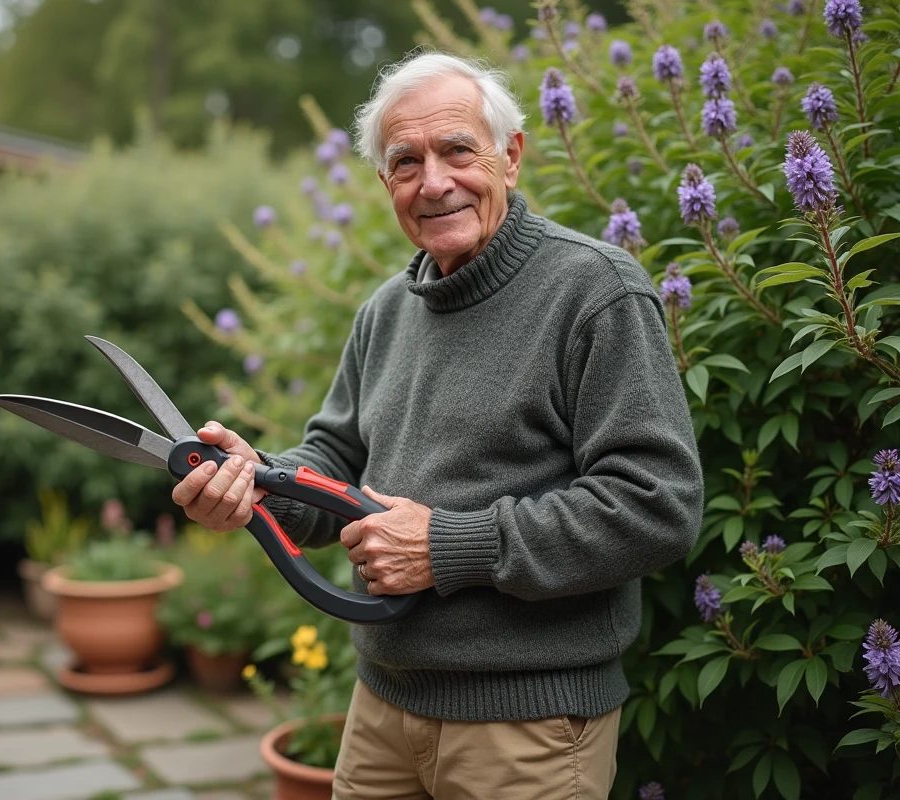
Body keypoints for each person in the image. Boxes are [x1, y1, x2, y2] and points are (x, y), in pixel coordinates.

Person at [171, 51, 703, 799]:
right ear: (386, 183)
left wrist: (447, 544)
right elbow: (334, 458)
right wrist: (253, 480)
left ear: (510, 157)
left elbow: (658, 505)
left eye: (457, 149)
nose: (435, 182)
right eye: (406, 162)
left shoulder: (595, 292)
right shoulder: (387, 310)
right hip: (382, 707)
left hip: (531, 730)